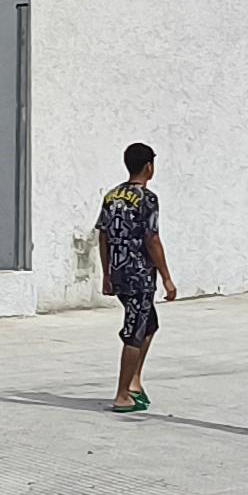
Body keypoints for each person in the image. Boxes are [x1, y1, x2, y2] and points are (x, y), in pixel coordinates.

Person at [96, 142, 176, 412]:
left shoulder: (111, 196)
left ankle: (134, 381)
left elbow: (103, 235)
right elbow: (152, 239)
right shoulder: (148, 198)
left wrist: (107, 273)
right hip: (139, 275)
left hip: (119, 273)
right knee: (134, 331)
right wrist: (166, 277)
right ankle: (122, 395)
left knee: (149, 324)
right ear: (149, 167)